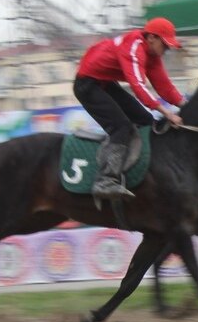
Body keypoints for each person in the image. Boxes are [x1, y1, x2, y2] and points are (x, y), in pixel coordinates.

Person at [73, 17, 185, 200]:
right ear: (151, 38)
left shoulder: (152, 55)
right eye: (165, 45)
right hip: (87, 86)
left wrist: (187, 107)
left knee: (148, 122)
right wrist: (167, 113)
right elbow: (138, 86)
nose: (166, 50)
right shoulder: (134, 48)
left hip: (105, 83)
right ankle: (105, 180)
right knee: (121, 128)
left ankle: (143, 172)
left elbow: (164, 86)